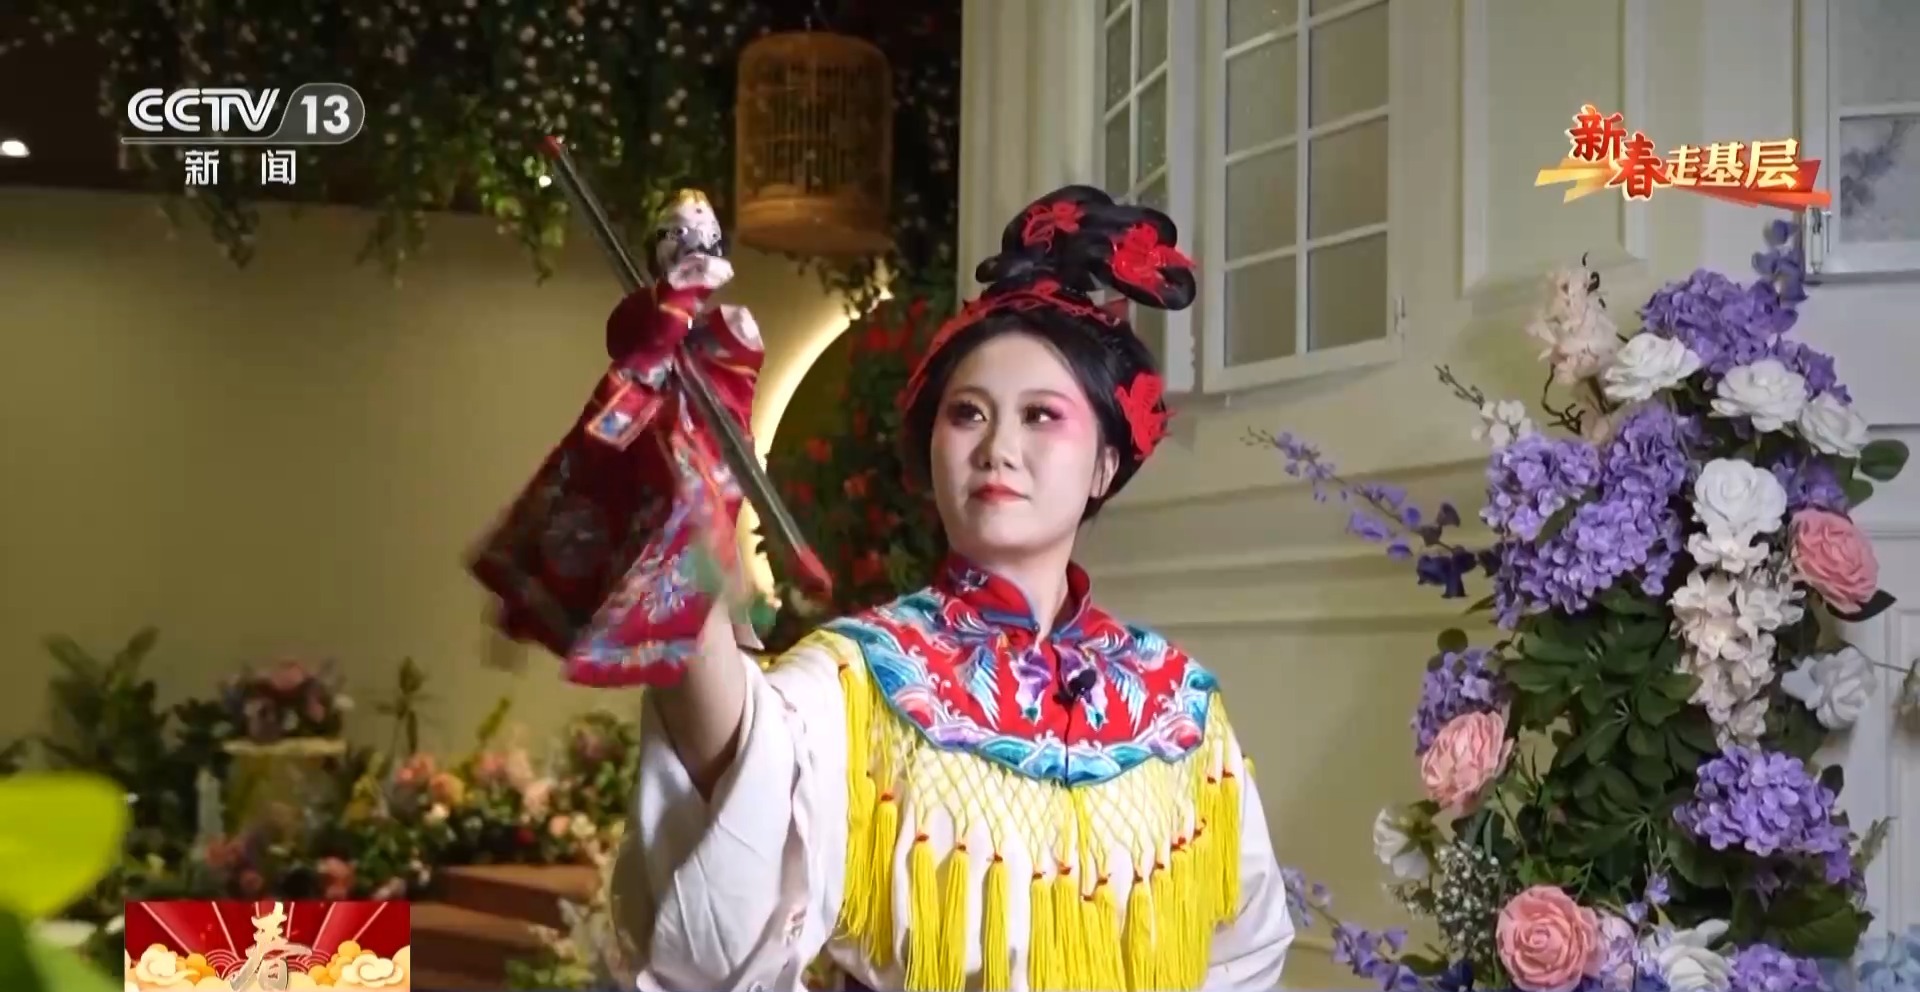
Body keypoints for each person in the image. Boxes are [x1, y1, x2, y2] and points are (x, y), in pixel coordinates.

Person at [611, 185, 1295, 992]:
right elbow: (736, 772)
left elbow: (1243, 954)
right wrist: (686, 499)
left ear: (1105, 464)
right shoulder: (864, 678)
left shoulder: (1180, 708)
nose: (998, 446)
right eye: (967, 413)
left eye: (1041, 415)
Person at [470, 189, 765, 688]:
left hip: (699, 446)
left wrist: (680, 310)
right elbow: (634, 344)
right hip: (640, 432)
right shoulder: (643, 314)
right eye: (677, 241)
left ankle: (735, 633)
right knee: (584, 489)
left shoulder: (731, 327)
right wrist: (669, 311)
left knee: (705, 520)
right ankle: (539, 605)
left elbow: (733, 382)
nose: (687, 254)